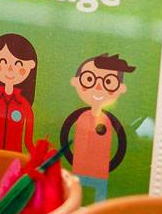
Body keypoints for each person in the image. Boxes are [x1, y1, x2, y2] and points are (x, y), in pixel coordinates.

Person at [58, 53, 135, 204]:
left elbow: (121, 145)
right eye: (89, 79)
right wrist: (72, 159)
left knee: (99, 199)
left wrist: (108, 165)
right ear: (75, 82)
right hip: (78, 168)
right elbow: (65, 135)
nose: (98, 86)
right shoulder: (79, 117)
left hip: (101, 172)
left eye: (108, 82)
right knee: (73, 198)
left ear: (121, 88)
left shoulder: (110, 121)